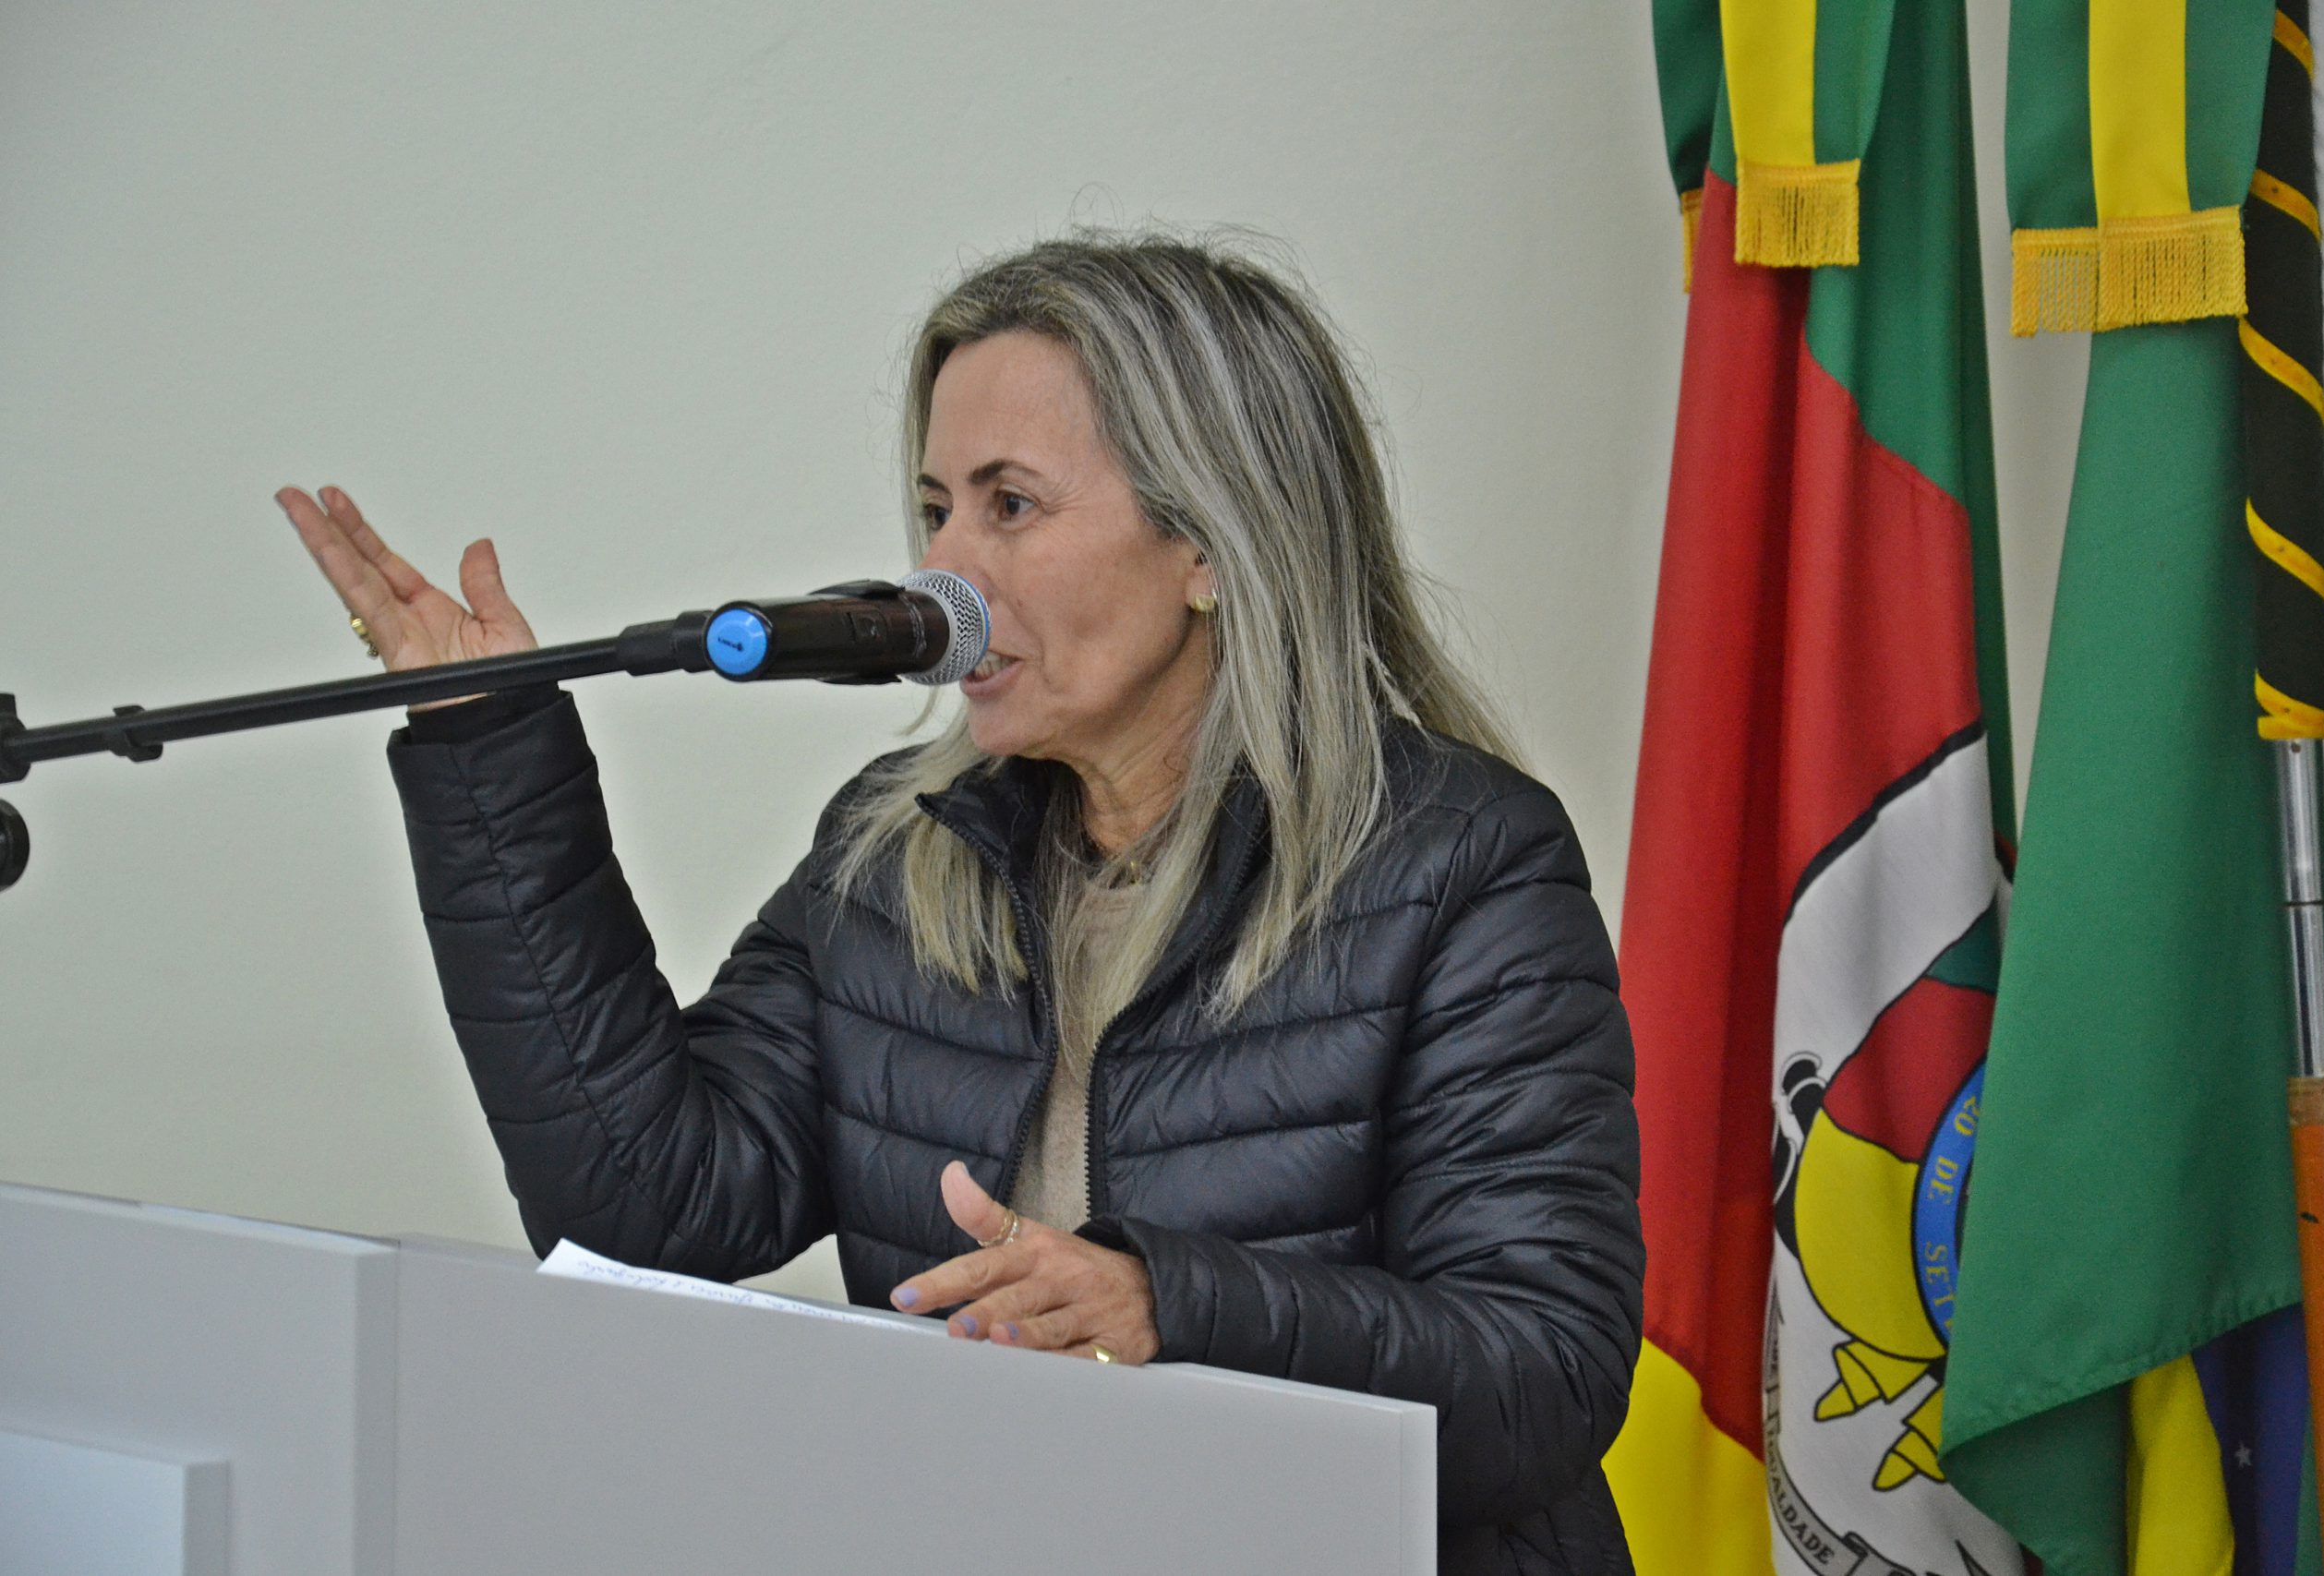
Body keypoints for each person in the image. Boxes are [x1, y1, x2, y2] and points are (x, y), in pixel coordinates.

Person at [281, 233, 1644, 1574]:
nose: (945, 575)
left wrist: (1166, 1305)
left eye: (1011, 506)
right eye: (936, 508)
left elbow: (1545, 1375)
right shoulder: (895, 856)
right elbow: (651, 1207)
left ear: (1210, 548)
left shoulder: (1459, 863)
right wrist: (488, 754)